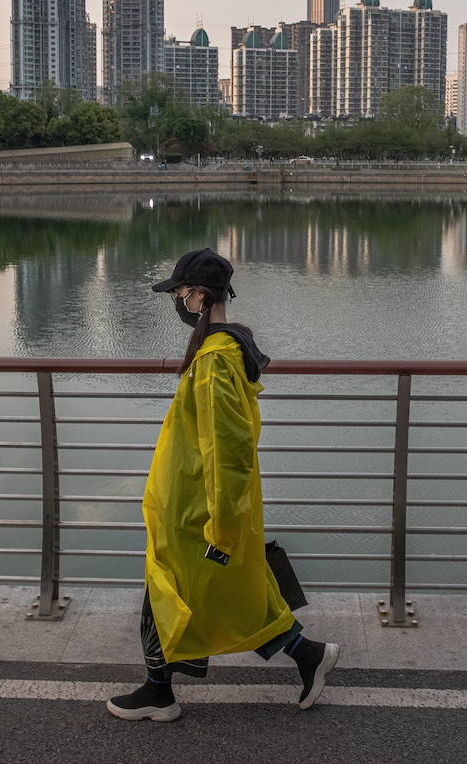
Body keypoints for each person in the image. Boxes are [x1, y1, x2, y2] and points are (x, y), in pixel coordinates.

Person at [107, 248, 339, 722]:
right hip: (197, 507)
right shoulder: (222, 350)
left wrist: (224, 529)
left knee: (167, 595)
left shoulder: (214, 360)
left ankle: (159, 693)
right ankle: (306, 653)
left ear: (200, 295)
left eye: (180, 292)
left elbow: (228, 450)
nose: (177, 299)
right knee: (232, 599)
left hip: (197, 513)